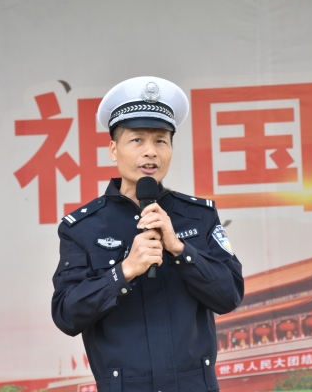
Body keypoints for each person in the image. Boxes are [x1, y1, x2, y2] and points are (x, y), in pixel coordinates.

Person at [51, 76, 244, 392]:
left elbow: (229, 296)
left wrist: (180, 250)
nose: (150, 152)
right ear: (114, 150)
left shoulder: (199, 215)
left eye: (161, 141)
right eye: (137, 140)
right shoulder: (83, 228)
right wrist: (124, 272)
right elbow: (66, 315)